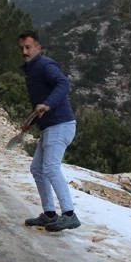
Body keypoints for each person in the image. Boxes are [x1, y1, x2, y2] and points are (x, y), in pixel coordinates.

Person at [18, 30, 81, 231]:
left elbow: (63, 84)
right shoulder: (31, 70)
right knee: (37, 169)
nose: (25, 52)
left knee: (51, 168)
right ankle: (49, 213)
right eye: (22, 48)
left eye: (28, 47)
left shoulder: (45, 65)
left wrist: (47, 104)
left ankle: (70, 214)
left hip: (60, 125)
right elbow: (41, 106)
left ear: (38, 47)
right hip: (49, 127)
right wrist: (31, 121)